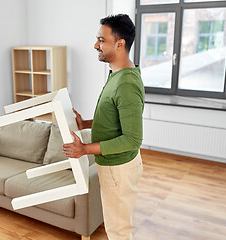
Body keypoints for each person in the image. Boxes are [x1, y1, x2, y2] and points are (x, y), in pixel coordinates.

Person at [63, 14, 144, 240]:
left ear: (120, 44)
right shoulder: (117, 75)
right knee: (116, 226)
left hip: (118, 168)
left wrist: (85, 149)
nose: (95, 45)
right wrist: (86, 124)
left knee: (118, 232)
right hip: (115, 165)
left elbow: (132, 139)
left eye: (101, 40)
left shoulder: (126, 83)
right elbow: (114, 118)